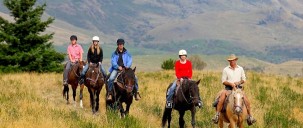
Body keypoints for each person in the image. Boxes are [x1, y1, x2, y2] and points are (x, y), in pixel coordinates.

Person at [211, 54, 256, 125]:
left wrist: (238, 82)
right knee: (222, 97)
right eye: (230, 61)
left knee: (246, 100)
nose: (231, 62)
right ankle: (217, 115)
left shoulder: (240, 68)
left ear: (236, 60)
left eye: (232, 60)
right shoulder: (226, 69)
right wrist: (231, 84)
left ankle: (250, 116)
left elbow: (244, 79)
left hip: (238, 89)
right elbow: (223, 81)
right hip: (228, 88)